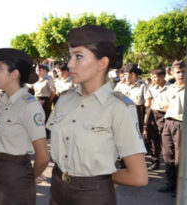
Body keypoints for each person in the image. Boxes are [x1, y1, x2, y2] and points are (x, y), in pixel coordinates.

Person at [46, 25, 148, 205]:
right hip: (57, 189)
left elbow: (138, 176)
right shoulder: (65, 100)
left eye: (78, 56)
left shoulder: (118, 107)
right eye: (70, 56)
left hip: (93, 196)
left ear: (102, 63)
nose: (69, 64)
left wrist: (98, 180)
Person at [0, 48, 49, 204]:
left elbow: (43, 157)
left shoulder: (29, 106)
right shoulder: (4, 100)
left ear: (14, 74)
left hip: (16, 176)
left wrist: (28, 177)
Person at [158, 60, 186, 197]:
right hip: (168, 122)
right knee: (168, 155)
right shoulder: (171, 88)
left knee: (179, 157)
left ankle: (180, 187)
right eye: (178, 72)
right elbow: (166, 105)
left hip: (182, 124)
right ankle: (171, 183)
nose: (180, 75)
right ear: (173, 73)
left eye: (183, 72)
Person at [123, 63, 153, 155]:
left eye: (126, 74)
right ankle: (124, 160)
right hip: (123, 112)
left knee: (135, 138)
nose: (124, 77)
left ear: (133, 75)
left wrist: (145, 119)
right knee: (123, 136)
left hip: (137, 112)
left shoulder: (142, 86)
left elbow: (148, 102)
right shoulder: (123, 85)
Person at [146, 68, 168, 170]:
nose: (153, 79)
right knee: (153, 138)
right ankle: (155, 161)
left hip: (165, 115)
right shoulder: (151, 88)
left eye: (155, 77)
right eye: (152, 77)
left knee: (165, 140)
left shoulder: (170, 88)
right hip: (153, 113)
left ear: (163, 76)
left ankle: (169, 163)